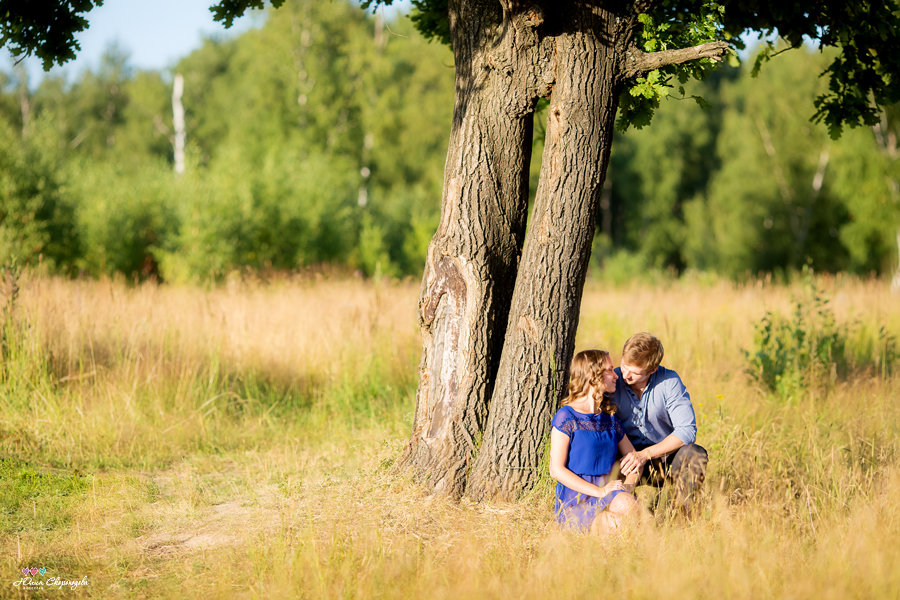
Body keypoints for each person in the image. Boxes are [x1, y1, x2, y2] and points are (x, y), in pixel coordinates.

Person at [549, 349, 643, 533]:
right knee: (617, 526)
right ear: (593, 375)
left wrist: (627, 488)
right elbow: (556, 470)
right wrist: (599, 492)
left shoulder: (610, 419)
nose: (616, 376)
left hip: (609, 491)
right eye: (610, 370)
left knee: (630, 509)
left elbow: (635, 461)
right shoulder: (566, 417)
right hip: (577, 497)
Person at [614, 332, 708, 514]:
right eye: (624, 365)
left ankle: (677, 516)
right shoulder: (613, 379)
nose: (626, 375)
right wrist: (632, 456)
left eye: (634, 372)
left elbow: (687, 431)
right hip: (623, 458)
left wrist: (644, 455)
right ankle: (619, 512)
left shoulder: (669, 381)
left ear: (652, 370)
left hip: (663, 458)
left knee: (695, 454)